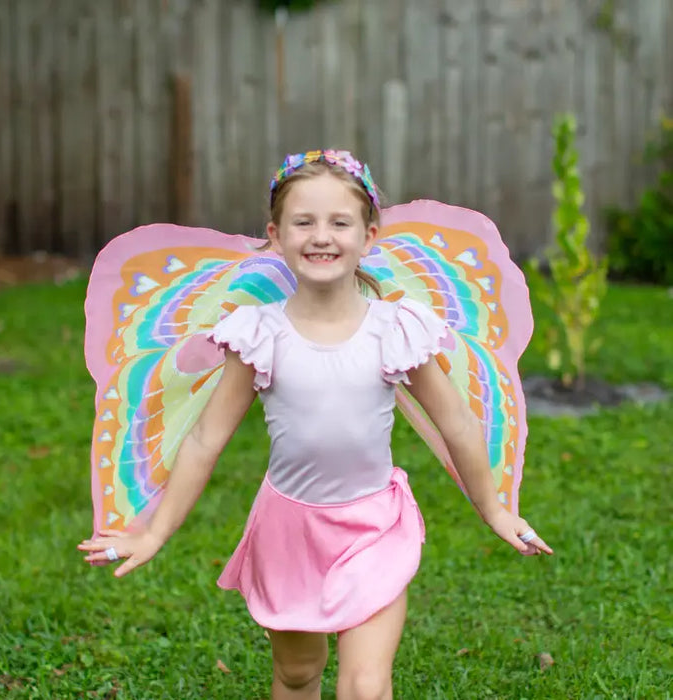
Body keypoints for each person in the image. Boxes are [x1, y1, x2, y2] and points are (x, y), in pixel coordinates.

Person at [78, 150, 552, 700]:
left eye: (339, 222)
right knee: (298, 674)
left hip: (374, 526)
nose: (321, 236)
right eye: (304, 222)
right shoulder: (257, 334)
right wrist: (154, 530)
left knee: (365, 686)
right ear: (275, 236)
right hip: (289, 532)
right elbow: (206, 441)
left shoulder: (396, 329)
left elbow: (460, 427)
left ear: (369, 236)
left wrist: (494, 508)